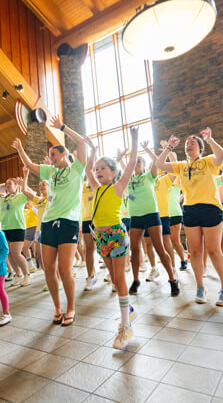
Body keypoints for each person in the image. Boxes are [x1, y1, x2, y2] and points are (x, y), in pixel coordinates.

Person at [12, 115, 86, 326]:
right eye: (49, 155)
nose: (51, 157)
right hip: (48, 223)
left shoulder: (76, 169)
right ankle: (57, 308)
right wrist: (19, 147)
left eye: (54, 153)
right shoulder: (50, 172)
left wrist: (62, 127)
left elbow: (81, 142)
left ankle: (71, 307)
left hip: (68, 222)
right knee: (48, 268)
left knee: (64, 269)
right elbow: (28, 163)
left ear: (63, 154)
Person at [156, 129, 223, 306]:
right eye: (186, 144)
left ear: (200, 148)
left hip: (210, 208)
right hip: (190, 209)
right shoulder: (182, 165)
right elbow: (160, 165)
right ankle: (200, 286)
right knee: (195, 251)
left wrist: (210, 139)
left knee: (213, 250)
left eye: (193, 143)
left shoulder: (207, 162)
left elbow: (220, 155)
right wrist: (168, 149)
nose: (188, 145)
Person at [85, 126, 139, 349]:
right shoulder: (96, 188)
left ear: (114, 172)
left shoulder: (118, 186)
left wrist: (134, 141)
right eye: (97, 169)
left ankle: (125, 326)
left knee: (120, 278)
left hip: (116, 235)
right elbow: (87, 168)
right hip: (100, 237)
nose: (97, 171)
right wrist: (93, 149)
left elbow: (132, 164)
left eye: (103, 168)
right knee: (115, 280)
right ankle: (130, 311)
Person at [126, 145, 179, 296]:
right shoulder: (128, 179)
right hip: (136, 216)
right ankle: (136, 280)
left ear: (143, 165)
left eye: (139, 161)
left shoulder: (149, 176)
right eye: (134, 161)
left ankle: (172, 280)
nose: (136, 163)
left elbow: (158, 163)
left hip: (151, 214)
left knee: (159, 248)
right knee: (134, 250)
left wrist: (148, 150)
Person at [0, 177, 30, 286]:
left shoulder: (20, 196)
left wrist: (23, 184)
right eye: (6, 183)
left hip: (18, 228)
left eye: (10, 183)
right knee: (8, 253)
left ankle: (27, 274)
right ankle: (18, 274)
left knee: (16, 253)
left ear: (15, 185)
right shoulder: (3, 199)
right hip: (6, 228)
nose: (7, 185)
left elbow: (30, 194)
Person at [80, 179, 97, 290]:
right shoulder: (83, 185)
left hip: (99, 218)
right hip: (86, 219)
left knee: (103, 247)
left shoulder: (98, 182)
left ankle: (113, 275)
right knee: (88, 249)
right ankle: (91, 276)